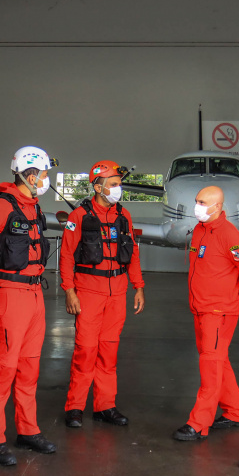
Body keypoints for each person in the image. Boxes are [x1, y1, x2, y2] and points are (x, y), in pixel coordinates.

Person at [0, 146, 58, 466]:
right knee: (4, 369)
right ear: (29, 174)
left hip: (35, 295)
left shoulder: (34, 208)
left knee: (29, 368)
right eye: (43, 174)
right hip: (9, 295)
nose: (46, 180)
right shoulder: (0, 207)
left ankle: (27, 430)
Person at [60, 160, 146, 428]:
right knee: (86, 350)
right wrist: (69, 291)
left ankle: (105, 406)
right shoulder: (80, 217)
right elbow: (65, 257)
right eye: (113, 184)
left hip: (117, 293)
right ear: (97, 187)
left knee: (109, 351)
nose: (118, 189)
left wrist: (138, 286)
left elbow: (132, 253)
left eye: (119, 184)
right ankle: (75, 407)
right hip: (88, 292)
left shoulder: (124, 216)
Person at [173, 186, 239, 441]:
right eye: (196, 200)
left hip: (219, 311)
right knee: (218, 360)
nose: (196, 205)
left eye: (202, 202)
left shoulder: (229, 235)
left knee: (210, 364)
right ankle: (234, 412)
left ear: (218, 207)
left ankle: (199, 422)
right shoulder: (199, 230)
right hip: (201, 308)